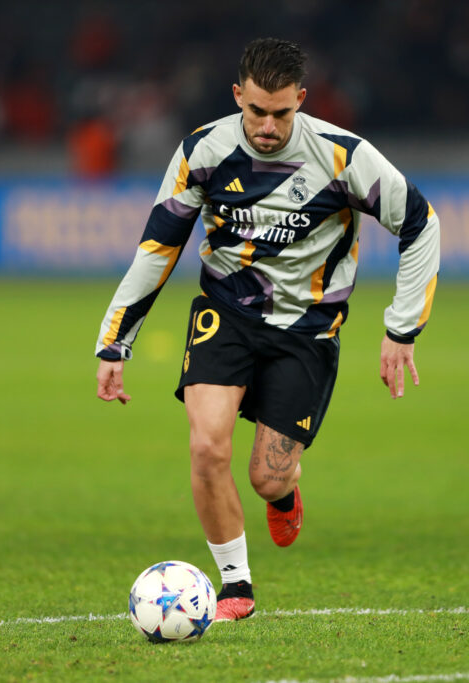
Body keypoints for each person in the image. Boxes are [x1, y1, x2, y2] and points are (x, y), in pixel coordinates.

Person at [94, 38, 440, 620]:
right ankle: (235, 585)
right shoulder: (203, 152)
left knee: (266, 476)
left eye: (282, 113)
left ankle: (283, 493)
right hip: (225, 312)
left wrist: (401, 329)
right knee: (206, 446)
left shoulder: (343, 156)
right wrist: (115, 339)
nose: (268, 126)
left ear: (301, 100)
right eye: (257, 111)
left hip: (306, 331)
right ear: (238, 97)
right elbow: (158, 246)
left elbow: (421, 224)